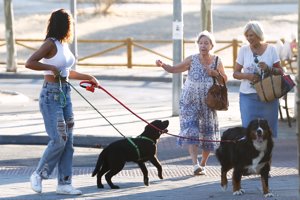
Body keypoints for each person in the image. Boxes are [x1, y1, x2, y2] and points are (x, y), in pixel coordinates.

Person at [25, 9, 99, 195]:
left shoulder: (63, 44)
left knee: (69, 141)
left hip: (65, 93)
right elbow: (30, 62)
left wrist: (89, 76)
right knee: (59, 139)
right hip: (50, 96)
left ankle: (64, 183)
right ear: (64, 24)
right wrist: (50, 67)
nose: (71, 26)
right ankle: (38, 174)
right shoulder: (50, 44)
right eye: (69, 22)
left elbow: (67, 72)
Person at [155, 30, 227, 175]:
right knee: (191, 131)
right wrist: (163, 65)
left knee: (208, 134)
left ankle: (203, 164)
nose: (203, 46)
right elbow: (175, 69)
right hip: (190, 101)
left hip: (209, 103)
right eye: (200, 43)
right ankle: (195, 164)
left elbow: (225, 80)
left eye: (206, 43)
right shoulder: (192, 59)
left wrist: (215, 74)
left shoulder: (217, 61)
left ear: (212, 45)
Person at [233, 21, 283, 138]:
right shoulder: (244, 50)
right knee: (248, 129)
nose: (249, 38)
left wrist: (268, 68)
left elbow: (280, 72)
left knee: (268, 131)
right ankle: (250, 156)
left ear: (259, 35)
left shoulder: (271, 49)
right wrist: (248, 76)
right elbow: (235, 73)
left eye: (252, 35)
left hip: (268, 97)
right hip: (248, 96)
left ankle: (266, 155)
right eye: (247, 36)